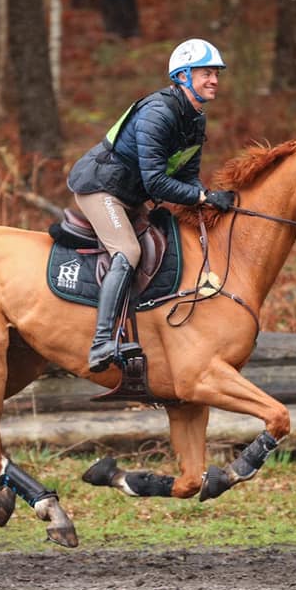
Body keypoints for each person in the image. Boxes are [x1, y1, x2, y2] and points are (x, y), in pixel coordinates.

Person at [67, 38, 236, 373]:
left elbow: (187, 175)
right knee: (128, 252)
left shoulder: (195, 119)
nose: (215, 80)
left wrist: (208, 196)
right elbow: (157, 181)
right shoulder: (158, 113)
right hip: (100, 187)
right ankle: (101, 342)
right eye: (206, 73)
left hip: (129, 195)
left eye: (216, 73)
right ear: (184, 76)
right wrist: (201, 197)